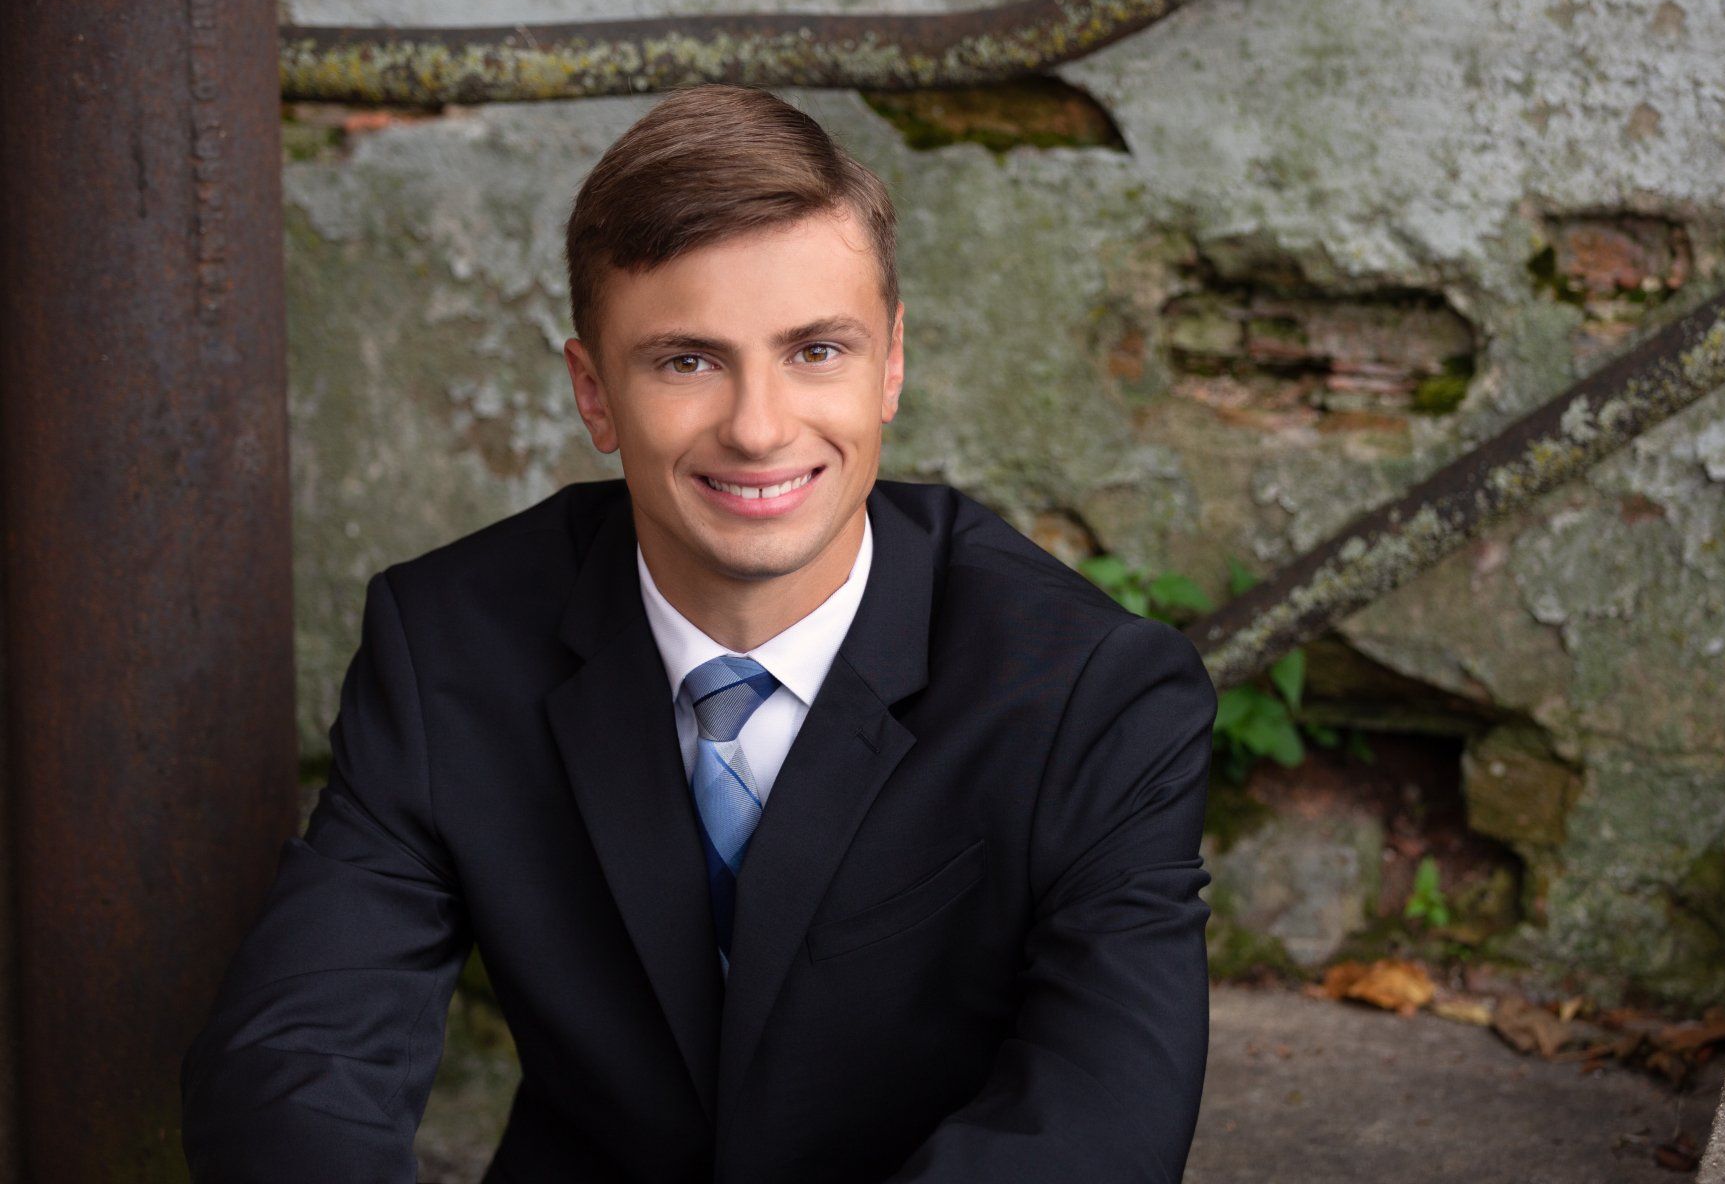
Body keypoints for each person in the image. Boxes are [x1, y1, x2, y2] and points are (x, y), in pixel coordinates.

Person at [180, 83, 1218, 1183]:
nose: (760, 427)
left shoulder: (1091, 688)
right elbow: (295, 1055)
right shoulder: (446, 645)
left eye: (817, 349)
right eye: (687, 360)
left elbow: (1096, 1122)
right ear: (594, 392)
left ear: (893, 364)